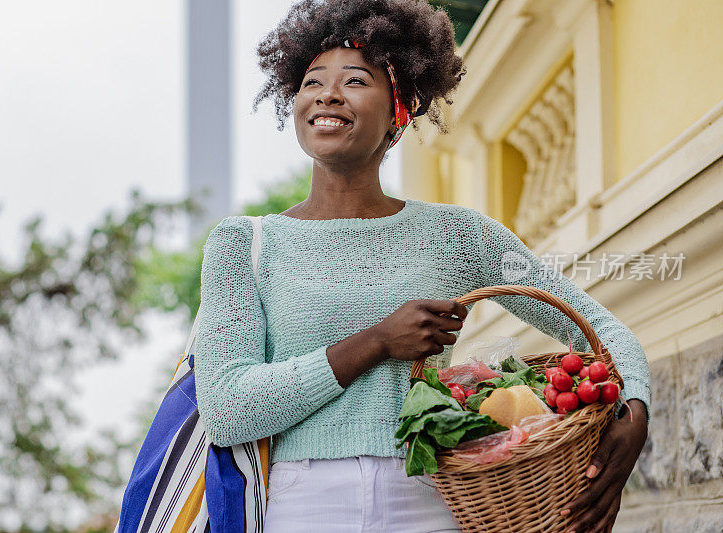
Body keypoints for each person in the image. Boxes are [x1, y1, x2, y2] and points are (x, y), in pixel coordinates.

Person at [194, 1, 650, 531]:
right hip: (301, 502)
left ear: (400, 109)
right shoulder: (246, 244)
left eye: (355, 80)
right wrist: (377, 342)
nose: (327, 93)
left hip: (432, 498)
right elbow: (228, 409)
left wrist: (634, 410)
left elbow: (596, 327)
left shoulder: (460, 235)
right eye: (311, 81)